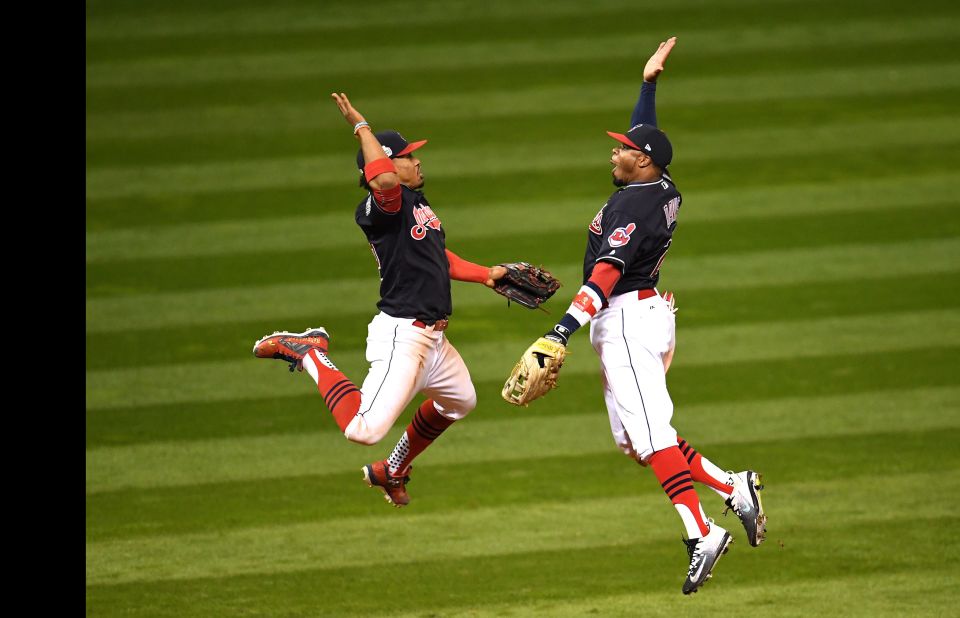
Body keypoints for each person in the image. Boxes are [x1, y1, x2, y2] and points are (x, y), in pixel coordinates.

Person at [529, 37, 767, 594]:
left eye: (622, 150)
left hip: (628, 322)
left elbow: (606, 274)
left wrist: (560, 330)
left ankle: (701, 532)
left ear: (644, 161)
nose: (613, 153)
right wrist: (648, 84)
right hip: (643, 316)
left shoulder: (633, 204)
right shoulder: (656, 184)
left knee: (652, 436)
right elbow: (646, 137)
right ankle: (733, 488)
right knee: (640, 443)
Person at [252, 92, 511, 508]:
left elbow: (436, 257)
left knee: (460, 401)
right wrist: (361, 126)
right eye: (407, 156)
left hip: (435, 342)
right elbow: (384, 180)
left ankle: (392, 468)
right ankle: (308, 352)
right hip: (403, 336)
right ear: (388, 166)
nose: (417, 161)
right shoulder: (384, 207)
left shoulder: (415, 203)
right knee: (362, 430)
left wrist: (486, 275)